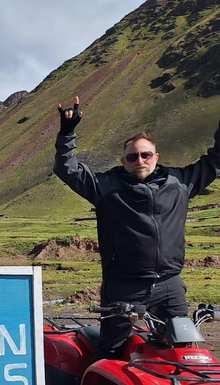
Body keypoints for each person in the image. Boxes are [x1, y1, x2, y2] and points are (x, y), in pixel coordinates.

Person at [53, 96, 220, 360]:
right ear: (124, 161)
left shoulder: (179, 183)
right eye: (132, 156)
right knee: (111, 353)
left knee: (182, 352)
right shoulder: (106, 187)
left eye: (145, 155)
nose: (139, 160)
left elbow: (215, 161)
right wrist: (67, 132)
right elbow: (67, 168)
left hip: (170, 285)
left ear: (156, 156)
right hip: (123, 285)